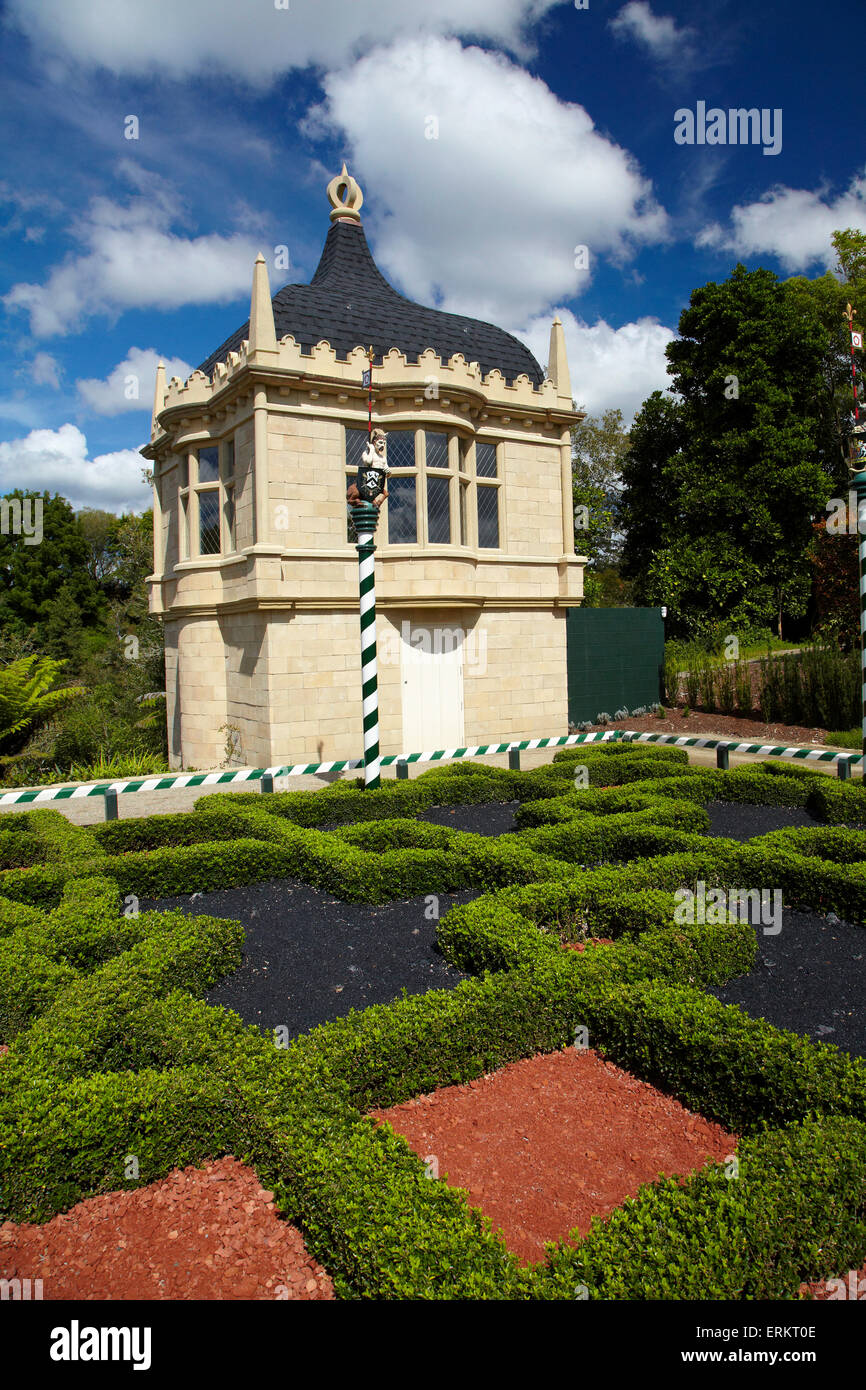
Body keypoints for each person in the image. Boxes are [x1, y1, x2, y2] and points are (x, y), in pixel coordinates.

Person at [346, 429, 389, 507]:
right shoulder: (366, 453)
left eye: (384, 443)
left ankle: (378, 502)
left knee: (386, 494)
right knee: (358, 491)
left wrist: (388, 472)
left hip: (377, 483)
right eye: (380, 443)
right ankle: (353, 500)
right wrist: (371, 449)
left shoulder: (383, 458)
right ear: (374, 442)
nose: (382, 445)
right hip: (366, 482)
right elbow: (368, 462)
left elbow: (387, 474)